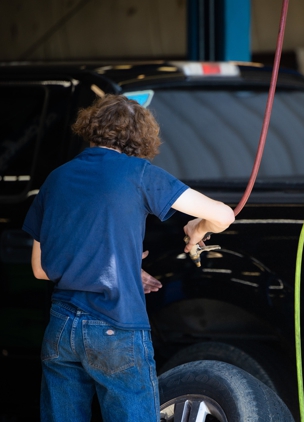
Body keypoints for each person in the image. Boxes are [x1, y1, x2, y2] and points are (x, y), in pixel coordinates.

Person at [22, 94, 235, 422]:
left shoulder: (57, 178)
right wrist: (196, 230)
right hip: (116, 326)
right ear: (141, 136)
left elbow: (40, 269)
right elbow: (223, 215)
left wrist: (121, 268)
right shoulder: (139, 173)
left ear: (91, 126)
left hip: (62, 328)